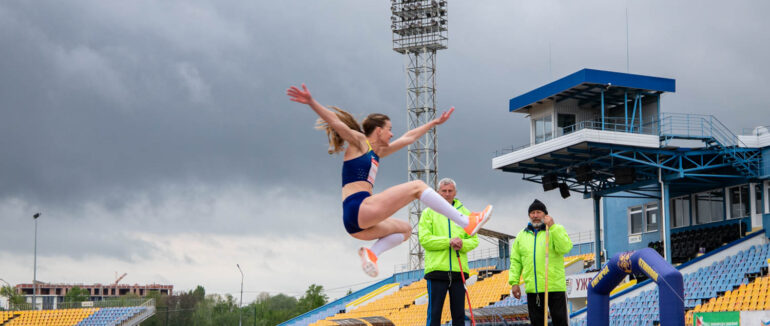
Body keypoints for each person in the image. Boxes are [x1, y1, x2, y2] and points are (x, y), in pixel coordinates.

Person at [286, 84, 492, 277]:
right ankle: (466, 221)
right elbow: (336, 123)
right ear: (379, 130)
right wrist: (311, 102)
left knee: (406, 230)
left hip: (358, 224)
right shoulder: (360, 143)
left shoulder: (379, 152)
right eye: (389, 129)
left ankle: (371, 254)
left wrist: (434, 123)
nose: (392, 134)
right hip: (358, 207)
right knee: (417, 187)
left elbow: (409, 137)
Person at [419, 178, 478, 326]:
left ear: (455, 192)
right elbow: (425, 240)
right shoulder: (428, 213)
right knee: (434, 314)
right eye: (443, 191)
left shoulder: (465, 213)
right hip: (437, 271)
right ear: (438, 192)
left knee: (459, 315)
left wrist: (462, 243)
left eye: (450, 191)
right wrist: (448, 241)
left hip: (458, 271)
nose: (447, 194)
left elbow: (474, 240)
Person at [508, 199, 573, 326]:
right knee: (537, 323)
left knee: (561, 322)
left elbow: (565, 248)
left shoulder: (556, 229)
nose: (535, 215)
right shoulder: (521, 236)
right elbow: (515, 261)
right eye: (532, 213)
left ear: (545, 214)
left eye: (538, 212)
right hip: (534, 289)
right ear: (529, 215)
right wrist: (514, 282)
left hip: (554, 287)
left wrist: (553, 227)